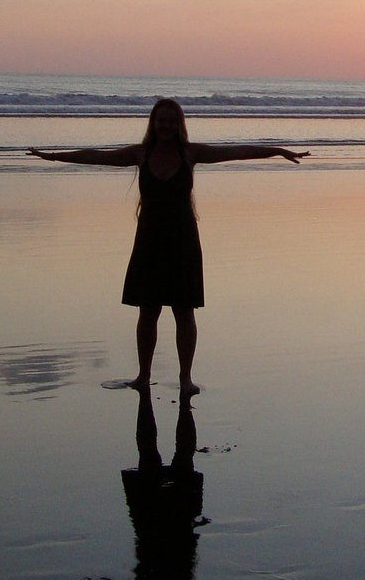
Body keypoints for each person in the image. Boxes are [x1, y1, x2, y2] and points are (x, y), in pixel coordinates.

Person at [29, 98, 307, 392]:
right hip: (149, 240)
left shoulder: (191, 152)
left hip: (183, 240)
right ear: (153, 122)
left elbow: (236, 151)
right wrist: (56, 156)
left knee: (184, 311)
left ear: (179, 124)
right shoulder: (140, 153)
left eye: (171, 121)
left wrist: (276, 151)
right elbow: (99, 156)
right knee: (147, 311)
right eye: (160, 120)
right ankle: (143, 376)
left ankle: (185, 378)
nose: (165, 125)